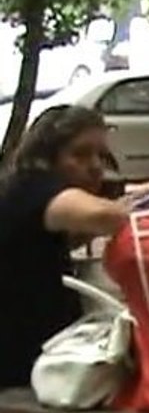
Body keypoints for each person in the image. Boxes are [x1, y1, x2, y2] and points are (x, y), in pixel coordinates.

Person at [0, 105, 130, 393]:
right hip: (24, 366)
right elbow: (102, 217)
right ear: (45, 158)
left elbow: (52, 239)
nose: (96, 165)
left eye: (101, 155)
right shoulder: (34, 187)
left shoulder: (21, 191)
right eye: (80, 154)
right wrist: (147, 205)